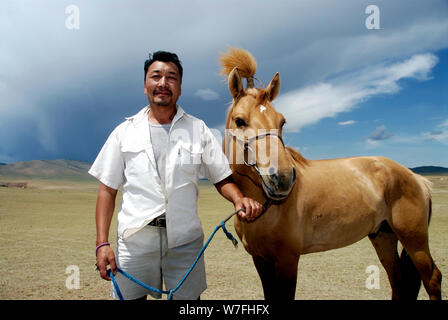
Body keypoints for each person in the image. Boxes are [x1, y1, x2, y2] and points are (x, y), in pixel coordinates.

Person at [89, 51, 263, 300]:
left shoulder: (198, 129)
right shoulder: (124, 132)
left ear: (179, 87)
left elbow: (221, 177)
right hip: (135, 240)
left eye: (171, 77)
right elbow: (107, 189)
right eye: (156, 76)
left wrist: (238, 199)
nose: (163, 83)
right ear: (145, 86)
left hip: (185, 241)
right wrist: (102, 243)